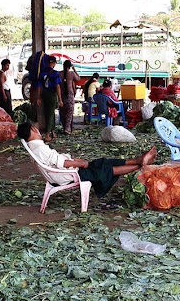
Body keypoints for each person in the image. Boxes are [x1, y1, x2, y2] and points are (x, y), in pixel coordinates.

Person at [18, 121, 156, 198]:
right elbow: (62, 163)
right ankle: (140, 165)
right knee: (105, 169)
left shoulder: (35, 147)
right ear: (33, 129)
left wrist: (74, 159)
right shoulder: (40, 148)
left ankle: (139, 160)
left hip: (63, 172)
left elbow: (57, 160)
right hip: (69, 174)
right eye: (36, 129)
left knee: (102, 162)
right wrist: (80, 163)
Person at [36, 55, 63, 141]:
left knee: (48, 113)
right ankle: (47, 134)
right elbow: (58, 86)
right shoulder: (55, 73)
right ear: (54, 63)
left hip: (44, 94)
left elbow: (39, 86)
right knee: (51, 114)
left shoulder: (41, 73)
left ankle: (53, 131)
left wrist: (39, 97)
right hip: (52, 94)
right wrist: (60, 99)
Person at [59, 60, 81, 133]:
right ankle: (67, 128)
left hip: (62, 95)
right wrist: (74, 69)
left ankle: (64, 127)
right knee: (69, 112)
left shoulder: (59, 74)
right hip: (69, 95)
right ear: (69, 67)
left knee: (62, 111)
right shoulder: (71, 74)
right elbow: (78, 78)